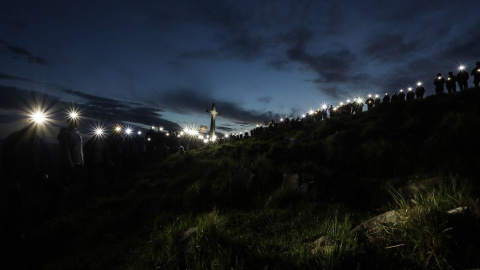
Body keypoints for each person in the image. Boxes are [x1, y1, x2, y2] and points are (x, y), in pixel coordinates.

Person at [57, 114, 84, 186]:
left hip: (78, 163)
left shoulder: (78, 134)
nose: (75, 122)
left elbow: (80, 148)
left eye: (76, 120)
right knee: (67, 183)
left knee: (75, 184)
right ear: (69, 121)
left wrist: (82, 160)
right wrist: (70, 163)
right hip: (68, 165)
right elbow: (66, 149)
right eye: (73, 120)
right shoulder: (65, 133)